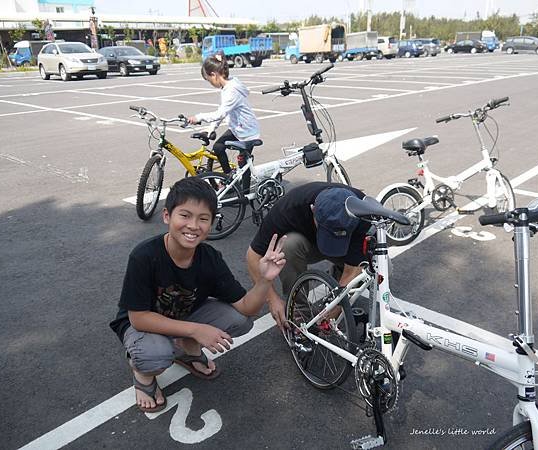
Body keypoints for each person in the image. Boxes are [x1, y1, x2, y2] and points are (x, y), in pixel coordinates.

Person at [110, 177, 286, 413]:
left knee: (240, 321)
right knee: (155, 356)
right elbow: (138, 318)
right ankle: (142, 374)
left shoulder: (209, 258)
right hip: (144, 325)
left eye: (203, 219)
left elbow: (247, 308)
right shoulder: (144, 256)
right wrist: (196, 330)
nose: (193, 225)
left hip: (184, 315)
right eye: (185, 215)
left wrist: (265, 280)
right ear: (166, 216)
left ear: (211, 223)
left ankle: (186, 348)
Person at [246, 182, 371, 332]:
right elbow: (252, 256)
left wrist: (334, 311)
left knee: (377, 265)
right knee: (288, 244)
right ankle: (299, 309)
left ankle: (338, 276)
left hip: (349, 245)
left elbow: (353, 270)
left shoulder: (362, 211)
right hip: (307, 243)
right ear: (313, 210)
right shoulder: (289, 207)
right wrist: (272, 299)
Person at [188, 52, 260, 191]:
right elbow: (223, 111)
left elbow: (220, 113)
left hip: (247, 131)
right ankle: (229, 178)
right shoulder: (227, 86)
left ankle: (245, 195)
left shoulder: (231, 90)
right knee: (218, 147)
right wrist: (212, 128)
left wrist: (199, 117)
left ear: (214, 74)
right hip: (236, 128)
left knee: (243, 164)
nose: (210, 83)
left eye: (209, 80)